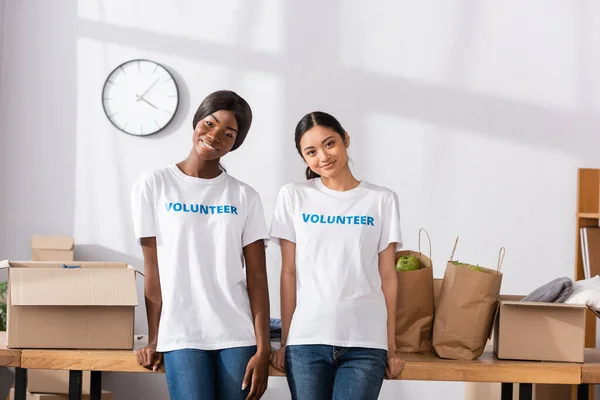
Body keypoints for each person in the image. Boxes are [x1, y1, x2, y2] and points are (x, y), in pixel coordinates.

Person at [131, 90, 270, 400]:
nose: (214, 136)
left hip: (236, 334)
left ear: (236, 142)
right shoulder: (154, 184)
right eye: (209, 123)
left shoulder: (245, 196)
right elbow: (153, 271)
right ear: (196, 122)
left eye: (228, 133)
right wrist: (155, 338)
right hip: (181, 333)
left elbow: (257, 279)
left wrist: (263, 349)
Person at [269, 111, 404, 399]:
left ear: (346, 139)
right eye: (311, 151)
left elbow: (388, 277)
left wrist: (391, 346)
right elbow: (288, 272)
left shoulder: (381, 200)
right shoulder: (293, 196)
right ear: (304, 158)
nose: (323, 156)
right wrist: (285, 340)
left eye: (329, 144)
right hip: (306, 341)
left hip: (366, 342)